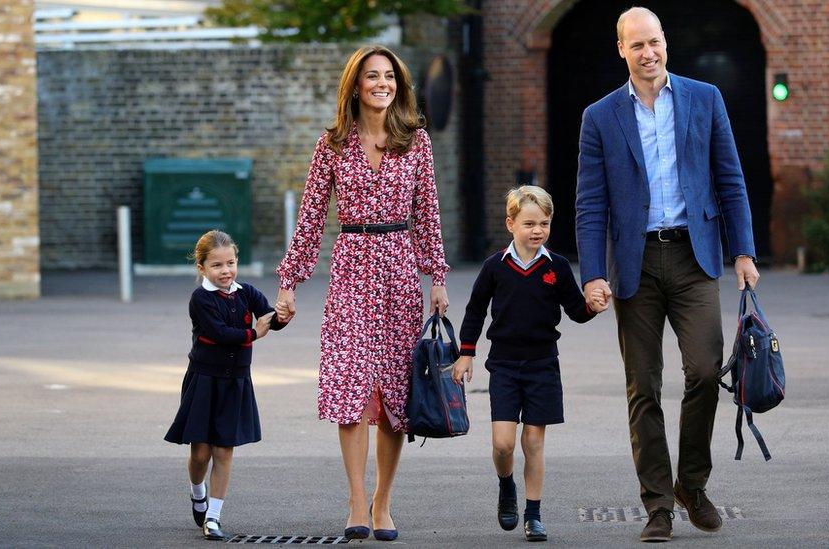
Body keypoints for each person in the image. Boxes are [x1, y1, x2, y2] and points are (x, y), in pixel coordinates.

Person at [574, 7, 761, 543]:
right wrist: (592, 275)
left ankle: (692, 485)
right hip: (633, 265)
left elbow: (731, 179)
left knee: (705, 371)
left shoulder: (705, 98)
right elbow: (590, 205)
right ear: (621, 50)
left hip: (694, 256)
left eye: (653, 42)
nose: (647, 53)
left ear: (665, 43)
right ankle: (657, 504)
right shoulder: (600, 116)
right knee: (644, 388)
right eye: (636, 46)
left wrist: (743, 251)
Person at [274, 45, 450, 542]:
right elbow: (310, 220)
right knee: (350, 387)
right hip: (351, 268)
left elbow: (428, 216)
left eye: (389, 76)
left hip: (398, 269)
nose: (382, 84)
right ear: (355, 84)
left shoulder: (415, 142)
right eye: (372, 76)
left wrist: (436, 276)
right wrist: (289, 282)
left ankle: (382, 502)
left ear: (399, 84)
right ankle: (355, 500)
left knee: (395, 392)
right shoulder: (330, 144)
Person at [451, 185, 607, 542]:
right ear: (511, 224)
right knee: (504, 443)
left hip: (542, 365)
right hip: (504, 365)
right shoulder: (495, 266)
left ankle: (533, 514)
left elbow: (575, 310)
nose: (537, 231)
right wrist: (466, 352)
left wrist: (592, 307)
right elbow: (476, 310)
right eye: (529, 223)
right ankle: (506, 485)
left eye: (545, 223)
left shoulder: (557, 267)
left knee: (534, 442)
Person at [164, 230, 287, 541]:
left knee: (224, 451)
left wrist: (282, 316)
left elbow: (268, 316)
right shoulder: (201, 299)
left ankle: (214, 517)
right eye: (217, 265)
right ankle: (197, 492)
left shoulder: (247, 292)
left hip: (236, 382)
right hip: (204, 380)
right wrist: (254, 334)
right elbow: (217, 333)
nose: (226, 271)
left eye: (230, 263)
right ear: (202, 267)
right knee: (200, 454)